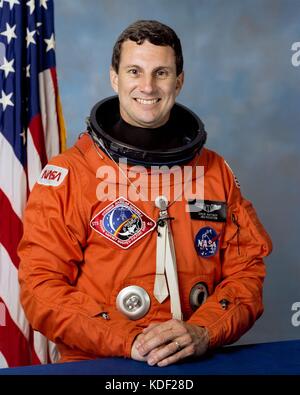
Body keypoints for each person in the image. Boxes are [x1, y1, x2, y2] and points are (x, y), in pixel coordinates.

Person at [18, 20, 272, 367]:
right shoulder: (72, 174)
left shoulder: (215, 172)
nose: (148, 86)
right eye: (134, 71)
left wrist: (202, 330)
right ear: (114, 77)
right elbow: (41, 289)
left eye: (162, 73)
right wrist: (129, 339)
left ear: (179, 81)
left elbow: (246, 274)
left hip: (195, 359)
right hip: (99, 363)